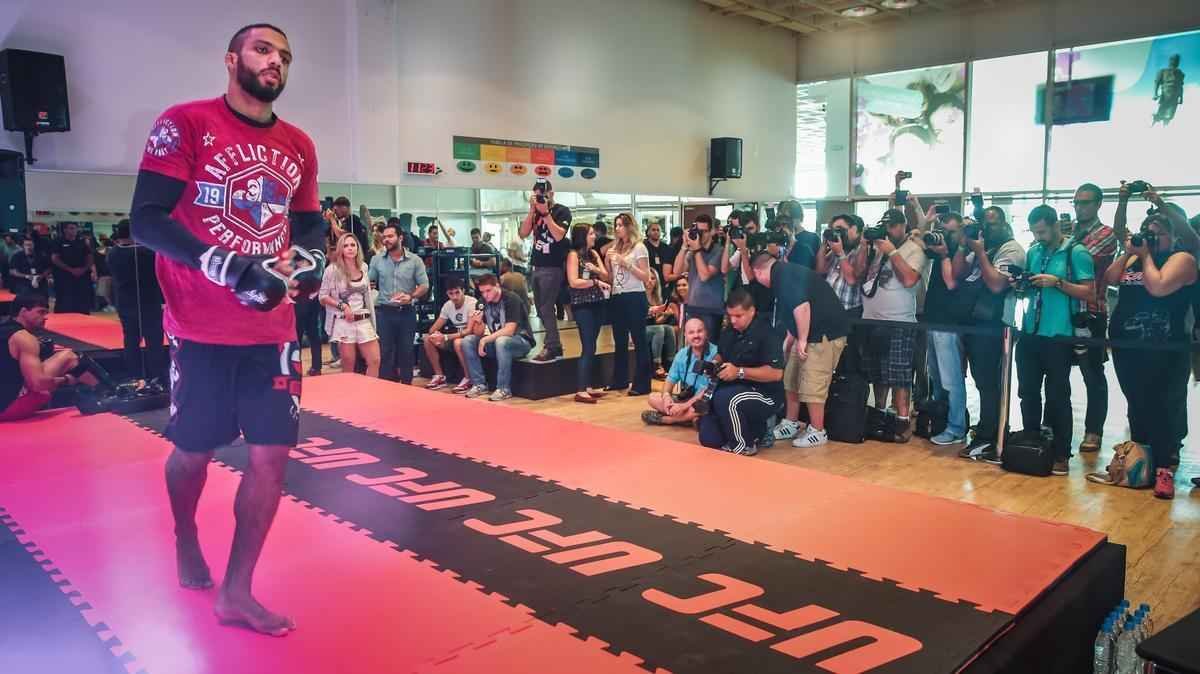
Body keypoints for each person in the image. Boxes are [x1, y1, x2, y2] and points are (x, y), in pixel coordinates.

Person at [128, 23, 328, 636]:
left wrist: (311, 265)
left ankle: (237, 591)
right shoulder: (185, 122)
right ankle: (186, 532)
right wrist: (225, 263)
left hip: (273, 332)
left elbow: (310, 225)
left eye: (285, 56)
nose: (276, 62)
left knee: (271, 461)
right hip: (200, 327)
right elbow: (145, 219)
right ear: (232, 59)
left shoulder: (298, 144)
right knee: (194, 453)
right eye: (264, 50)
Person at [1104, 213, 1196, 499]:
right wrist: (1128, 252)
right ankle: (1139, 465)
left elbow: (1158, 287)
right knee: (1137, 405)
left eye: (1157, 233)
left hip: (1166, 349)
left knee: (1164, 409)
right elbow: (1108, 279)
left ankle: (1164, 471)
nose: (1150, 237)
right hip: (1128, 347)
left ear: (1172, 237)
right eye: (1146, 232)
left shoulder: (1182, 259)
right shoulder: (1134, 257)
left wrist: (1144, 256)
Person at [1012, 205, 1095, 476]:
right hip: (1030, 332)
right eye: (1035, 232)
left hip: (1059, 334)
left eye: (1043, 231)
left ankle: (1061, 452)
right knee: (1027, 392)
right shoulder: (1034, 251)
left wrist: (1057, 282)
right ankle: (1031, 443)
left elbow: (1089, 293)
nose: (1039, 237)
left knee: (1058, 396)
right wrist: (1021, 283)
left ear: (1056, 225)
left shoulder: (1076, 252)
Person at [952, 205, 1026, 461]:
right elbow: (958, 273)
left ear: (1005, 224)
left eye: (992, 223)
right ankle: (986, 429)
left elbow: (996, 284)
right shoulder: (981, 245)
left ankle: (992, 436)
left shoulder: (1011, 249)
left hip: (994, 324)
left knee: (990, 383)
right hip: (974, 322)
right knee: (981, 381)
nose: (986, 228)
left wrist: (981, 252)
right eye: (984, 223)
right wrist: (964, 245)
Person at [754, 254, 851, 448]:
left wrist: (803, 339)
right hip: (806, 333)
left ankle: (817, 430)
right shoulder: (782, 274)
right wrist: (790, 340)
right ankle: (791, 422)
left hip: (823, 334)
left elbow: (802, 307)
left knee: (813, 381)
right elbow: (792, 312)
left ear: (758, 272)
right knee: (792, 377)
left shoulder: (782, 275)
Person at [853, 209, 928, 439]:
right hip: (872, 319)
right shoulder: (875, 247)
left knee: (899, 374)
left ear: (903, 226)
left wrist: (892, 252)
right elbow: (857, 275)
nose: (889, 230)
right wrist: (864, 247)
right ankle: (879, 413)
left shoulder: (914, 250)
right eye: (886, 225)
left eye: (894, 225)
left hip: (900, 321)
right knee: (876, 372)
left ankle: (902, 421)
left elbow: (909, 279)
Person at [697, 288, 784, 455]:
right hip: (733, 387)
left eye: (738, 316)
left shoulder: (767, 334)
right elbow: (722, 353)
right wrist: (713, 364)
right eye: (730, 315)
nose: (733, 320)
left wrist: (739, 372)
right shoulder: (730, 331)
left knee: (727, 399)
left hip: (765, 393)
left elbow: (776, 373)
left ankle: (744, 445)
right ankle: (756, 430)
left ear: (751, 311)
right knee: (708, 438)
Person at [1065, 183, 1118, 454]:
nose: (1079, 207)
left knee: (1092, 374)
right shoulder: (1069, 233)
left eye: (1085, 202)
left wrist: (1065, 243)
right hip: (1063, 311)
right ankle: (1053, 425)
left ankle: (1094, 431)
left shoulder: (1107, 234)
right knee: (1056, 372)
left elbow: (1076, 259)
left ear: (1098, 204)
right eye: (1076, 202)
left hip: (1091, 312)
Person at [920, 212, 971, 445]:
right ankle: (940, 419)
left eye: (950, 231)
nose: (945, 235)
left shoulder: (963, 254)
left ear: (961, 230)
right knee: (936, 377)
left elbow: (952, 282)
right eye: (943, 230)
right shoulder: (939, 249)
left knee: (951, 379)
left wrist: (944, 255)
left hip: (949, 323)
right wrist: (926, 219)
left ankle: (956, 427)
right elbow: (920, 238)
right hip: (932, 319)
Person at [368, 222, 428, 384]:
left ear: (400, 238)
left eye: (390, 236)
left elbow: (424, 285)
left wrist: (411, 296)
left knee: (406, 352)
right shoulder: (376, 260)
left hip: (406, 312)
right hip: (384, 312)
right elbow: (369, 281)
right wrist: (368, 283)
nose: (386, 240)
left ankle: (407, 388)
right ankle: (387, 389)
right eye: (384, 237)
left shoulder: (415, 261)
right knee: (385, 353)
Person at [519, 179, 571, 363]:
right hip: (537, 265)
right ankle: (555, 346)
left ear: (552, 193)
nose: (541, 197)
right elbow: (523, 233)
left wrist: (546, 213)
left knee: (547, 308)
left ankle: (551, 346)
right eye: (537, 195)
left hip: (553, 266)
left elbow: (558, 235)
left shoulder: (562, 211)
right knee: (540, 310)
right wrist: (532, 210)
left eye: (544, 194)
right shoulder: (534, 213)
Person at [106, 221, 166, 380]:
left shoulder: (112, 253)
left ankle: (134, 375)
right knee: (154, 342)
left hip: (125, 302)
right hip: (148, 302)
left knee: (131, 340)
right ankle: (156, 377)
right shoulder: (148, 253)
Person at [460, 273, 535, 401]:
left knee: (501, 341)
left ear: (497, 286)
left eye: (488, 291)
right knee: (467, 341)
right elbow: (478, 333)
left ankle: (504, 388)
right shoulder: (482, 303)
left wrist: (485, 339)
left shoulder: (511, 299)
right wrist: (478, 322)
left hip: (520, 341)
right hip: (497, 343)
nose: (485, 295)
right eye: (482, 292)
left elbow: (510, 330)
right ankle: (479, 384)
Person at [605, 213, 653, 396]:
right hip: (618, 296)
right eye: (616, 225)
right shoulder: (616, 247)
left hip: (635, 296)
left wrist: (626, 264)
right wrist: (609, 262)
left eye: (621, 225)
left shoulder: (639, 248)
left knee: (639, 340)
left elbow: (646, 276)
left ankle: (642, 384)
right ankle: (620, 379)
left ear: (629, 227)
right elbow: (611, 277)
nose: (617, 228)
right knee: (620, 341)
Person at [320, 232, 380, 378]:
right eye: (346, 245)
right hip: (344, 322)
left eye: (353, 245)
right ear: (341, 249)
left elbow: (366, 294)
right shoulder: (332, 270)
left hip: (364, 319)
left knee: (375, 360)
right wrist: (343, 306)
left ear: (357, 248)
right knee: (348, 364)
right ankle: (350, 398)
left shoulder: (364, 267)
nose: (350, 248)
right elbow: (322, 297)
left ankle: (370, 393)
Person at [565, 224, 611, 404]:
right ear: (582, 236)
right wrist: (595, 282)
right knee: (588, 345)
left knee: (592, 345)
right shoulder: (573, 255)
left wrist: (597, 271)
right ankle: (581, 388)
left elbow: (606, 275)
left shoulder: (594, 254)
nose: (594, 236)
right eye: (591, 234)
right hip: (582, 304)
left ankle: (589, 385)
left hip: (597, 302)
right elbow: (574, 282)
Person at [643, 317, 718, 426]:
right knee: (652, 398)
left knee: (702, 407)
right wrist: (667, 398)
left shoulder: (716, 354)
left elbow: (707, 391)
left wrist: (684, 406)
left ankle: (669, 420)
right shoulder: (681, 354)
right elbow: (669, 380)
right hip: (687, 399)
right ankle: (688, 419)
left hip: (706, 399)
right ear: (686, 336)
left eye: (699, 331)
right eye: (691, 332)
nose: (696, 336)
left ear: (706, 333)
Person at [673, 214, 725, 340]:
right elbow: (677, 271)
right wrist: (684, 246)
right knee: (693, 349)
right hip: (692, 307)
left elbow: (704, 275)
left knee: (709, 350)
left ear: (712, 231)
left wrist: (696, 250)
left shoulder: (719, 250)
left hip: (711, 309)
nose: (701, 235)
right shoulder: (692, 251)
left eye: (704, 231)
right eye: (698, 231)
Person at [422, 278, 477, 391]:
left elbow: (469, 331)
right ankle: (440, 376)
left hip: (474, 338)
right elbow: (433, 329)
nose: (454, 297)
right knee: (428, 339)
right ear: (447, 294)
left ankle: (469, 378)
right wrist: (435, 335)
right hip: (458, 337)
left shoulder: (472, 303)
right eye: (451, 294)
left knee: (458, 343)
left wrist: (446, 337)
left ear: (463, 291)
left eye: (457, 292)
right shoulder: (448, 305)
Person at [50, 222, 94, 314]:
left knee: (82, 299)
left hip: (81, 276)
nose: (73, 230)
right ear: (65, 230)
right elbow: (55, 258)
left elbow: (89, 257)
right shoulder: (58, 241)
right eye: (71, 228)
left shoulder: (82, 242)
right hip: (64, 276)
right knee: (64, 300)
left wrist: (84, 269)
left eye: (74, 228)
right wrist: (70, 269)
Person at [646, 269, 677, 380]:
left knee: (668, 328)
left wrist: (665, 315)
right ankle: (657, 365)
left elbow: (655, 322)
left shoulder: (656, 297)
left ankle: (671, 362)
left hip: (651, 328)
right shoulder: (640, 296)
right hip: (638, 329)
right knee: (659, 330)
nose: (650, 281)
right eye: (648, 278)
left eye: (653, 278)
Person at [1152, 54, 1185, 126]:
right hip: (1165, 94)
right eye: (1173, 60)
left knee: (1169, 116)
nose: (1175, 62)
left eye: (1177, 61)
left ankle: (1165, 129)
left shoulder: (1180, 73)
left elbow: (1181, 86)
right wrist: (1155, 94)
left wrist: (1181, 97)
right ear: (1170, 61)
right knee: (1159, 113)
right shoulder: (1162, 71)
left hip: (1175, 96)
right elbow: (1156, 83)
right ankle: (1152, 126)